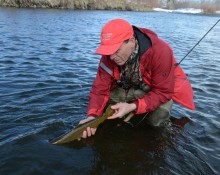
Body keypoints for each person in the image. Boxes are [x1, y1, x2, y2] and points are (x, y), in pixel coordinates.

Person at [79, 19, 195, 138]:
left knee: (158, 119)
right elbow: (99, 90)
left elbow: (163, 92)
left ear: (132, 41)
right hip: (127, 89)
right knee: (103, 109)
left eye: (116, 51)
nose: (112, 57)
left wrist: (132, 106)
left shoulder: (160, 51)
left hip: (154, 90)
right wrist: (92, 116)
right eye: (108, 52)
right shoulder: (108, 57)